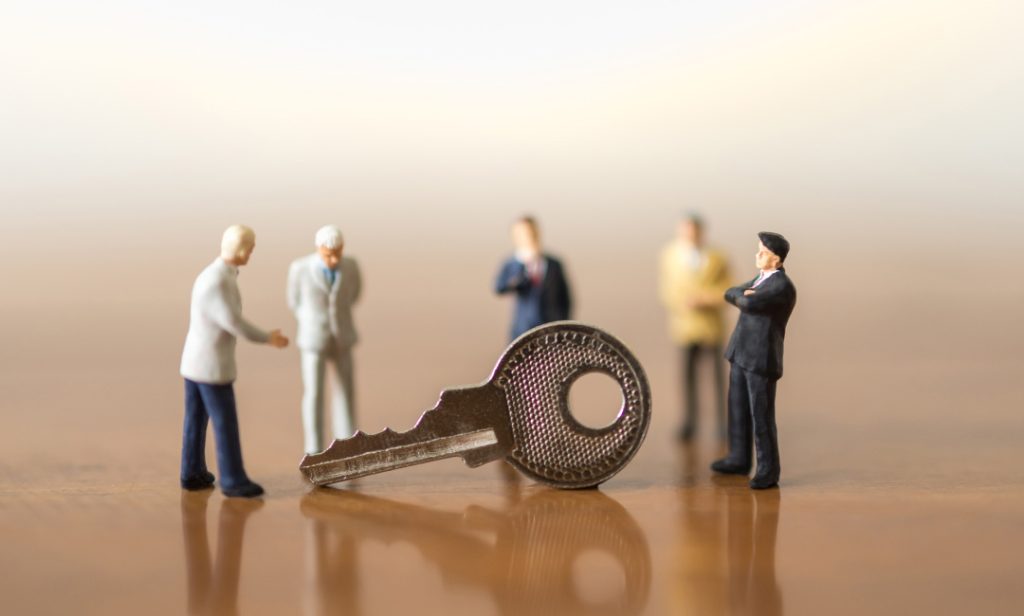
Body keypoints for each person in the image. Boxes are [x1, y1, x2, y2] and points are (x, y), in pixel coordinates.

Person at [180, 225, 289, 498]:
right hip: (210, 366)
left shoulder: (215, 275)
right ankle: (232, 479)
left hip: (196, 362)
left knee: (196, 418)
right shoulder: (217, 281)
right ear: (240, 249)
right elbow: (233, 323)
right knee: (224, 421)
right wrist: (268, 337)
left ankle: (192, 472)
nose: (252, 253)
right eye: (251, 248)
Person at [711, 232, 797, 489]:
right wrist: (742, 294)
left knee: (761, 415)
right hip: (740, 353)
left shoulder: (780, 286)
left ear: (777, 259)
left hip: (760, 359)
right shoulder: (760, 279)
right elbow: (730, 292)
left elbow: (748, 304)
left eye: (763, 252)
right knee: (737, 408)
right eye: (758, 250)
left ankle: (768, 470)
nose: (757, 255)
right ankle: (738, 458)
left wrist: (743, 297)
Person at [288, 225, 362, 455]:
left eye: (337, 253)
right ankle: (314, 448)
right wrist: (311, 321)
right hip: (313, 339)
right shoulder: (299, 269)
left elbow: (355, 293)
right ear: (318, 249)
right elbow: (294, 301)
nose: (333, 259)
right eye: (328, 254)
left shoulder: (351, 266)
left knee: (345, 391)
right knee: (314, 393)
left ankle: (347, 442)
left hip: (342, 336)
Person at [658, 213, 732, 441]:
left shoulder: (717, 256)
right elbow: (667, 289)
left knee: (717, 378)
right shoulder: (669, 255)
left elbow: (727, 287)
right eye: (686, 230)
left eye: (694, 230)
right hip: (685, 326)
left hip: (711, 326)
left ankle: (722, 423)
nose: (690, 235)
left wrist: (705, 299)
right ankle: (689, 422)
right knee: (687, 377)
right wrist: (683, 303)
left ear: (701, 232)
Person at [494, 216, 572, 341]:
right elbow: (499, 287)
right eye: (522, 233)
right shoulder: (512, 264)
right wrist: (517, 279)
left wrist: (563, 323)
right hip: (523, 328)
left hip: (551, 328)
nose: (527, 236)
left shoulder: (554, 264)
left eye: (530, 232)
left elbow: (565, 297)